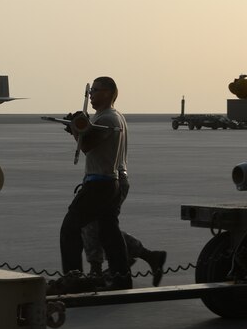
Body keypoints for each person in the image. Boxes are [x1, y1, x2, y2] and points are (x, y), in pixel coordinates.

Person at [52, 77, 133, 293]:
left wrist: (75, 129)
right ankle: (121, 278)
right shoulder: (112, 116)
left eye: (95, 91)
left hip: (100, 183)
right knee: (109, 231)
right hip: (110, 181)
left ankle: (73, 280)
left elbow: (87, 146)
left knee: (70, 228)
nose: (91, 95)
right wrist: (78, 128)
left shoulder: (108, 118)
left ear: (108, 93)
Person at [82, 165, 167, 286]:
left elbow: (89, 148)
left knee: (91, 224)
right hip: (107, 176)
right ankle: (148, 256)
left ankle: (97, 272)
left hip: (105, 178)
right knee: (103, 227)